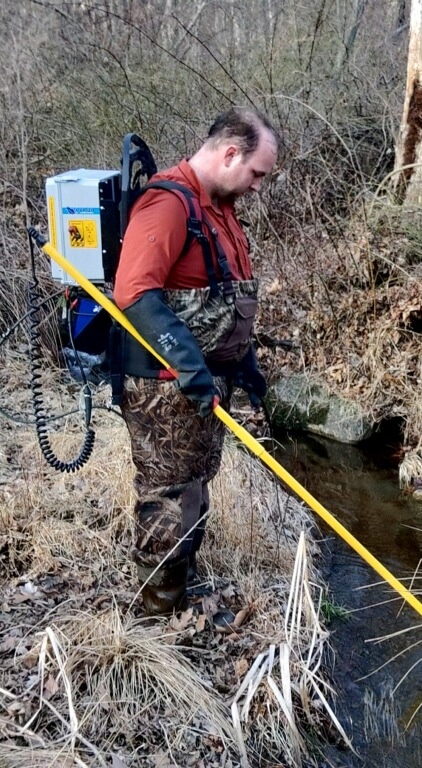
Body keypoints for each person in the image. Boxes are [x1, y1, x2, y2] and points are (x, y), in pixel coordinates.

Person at [113, 107, 279, 615]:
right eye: (256, 173)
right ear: (230, 154)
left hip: (207, 382)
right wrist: (189, 366)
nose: (257, 186)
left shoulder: (219, 208)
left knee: (196, 488)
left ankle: (180, 584)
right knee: (169, 498)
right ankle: (156, 613)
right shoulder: (167, 204)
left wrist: (245, 362)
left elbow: (224, 298)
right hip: (166, 387)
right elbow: (134, 293)